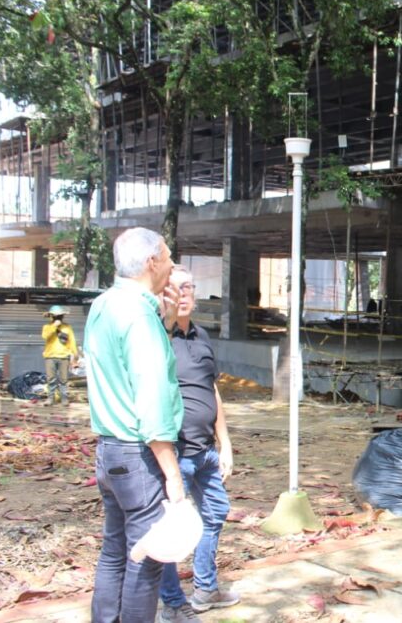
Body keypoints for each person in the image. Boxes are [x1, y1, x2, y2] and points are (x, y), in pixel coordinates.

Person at [85, 227, 186, 623]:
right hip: (139, 454)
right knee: (148, 559)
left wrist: (167, 320)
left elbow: (120, 367)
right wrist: (173, 473)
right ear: (151, 262)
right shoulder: (139, 316)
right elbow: (152, 399)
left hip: (109, 450)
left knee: (115, 551)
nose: (172, 264)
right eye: (168, 256)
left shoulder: (104, 304)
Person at [159, 266, 240, 622]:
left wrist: (225, 443)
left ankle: (205, 588)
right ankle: (172, 603)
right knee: (171, 531)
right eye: (176, 288)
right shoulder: (157, 339)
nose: (184, 294)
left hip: (206, 451)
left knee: (216, 514)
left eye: (189, 287)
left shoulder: (202, 337)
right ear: (164, 294)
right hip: (173, 452)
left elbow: (212, 390)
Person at [41, 305, 79, 405]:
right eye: (55, 316)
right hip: (50, 356)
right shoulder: (47, 327)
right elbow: (45, 336)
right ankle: (50, 398)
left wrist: (75, 355)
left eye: (59, 316)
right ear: (51, 317)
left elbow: (72, 341)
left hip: (64, 357)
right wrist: (54, 326)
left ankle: (64, 399)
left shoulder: (67, 327)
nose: (57, 318)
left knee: (64, 379)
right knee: (51, 379)